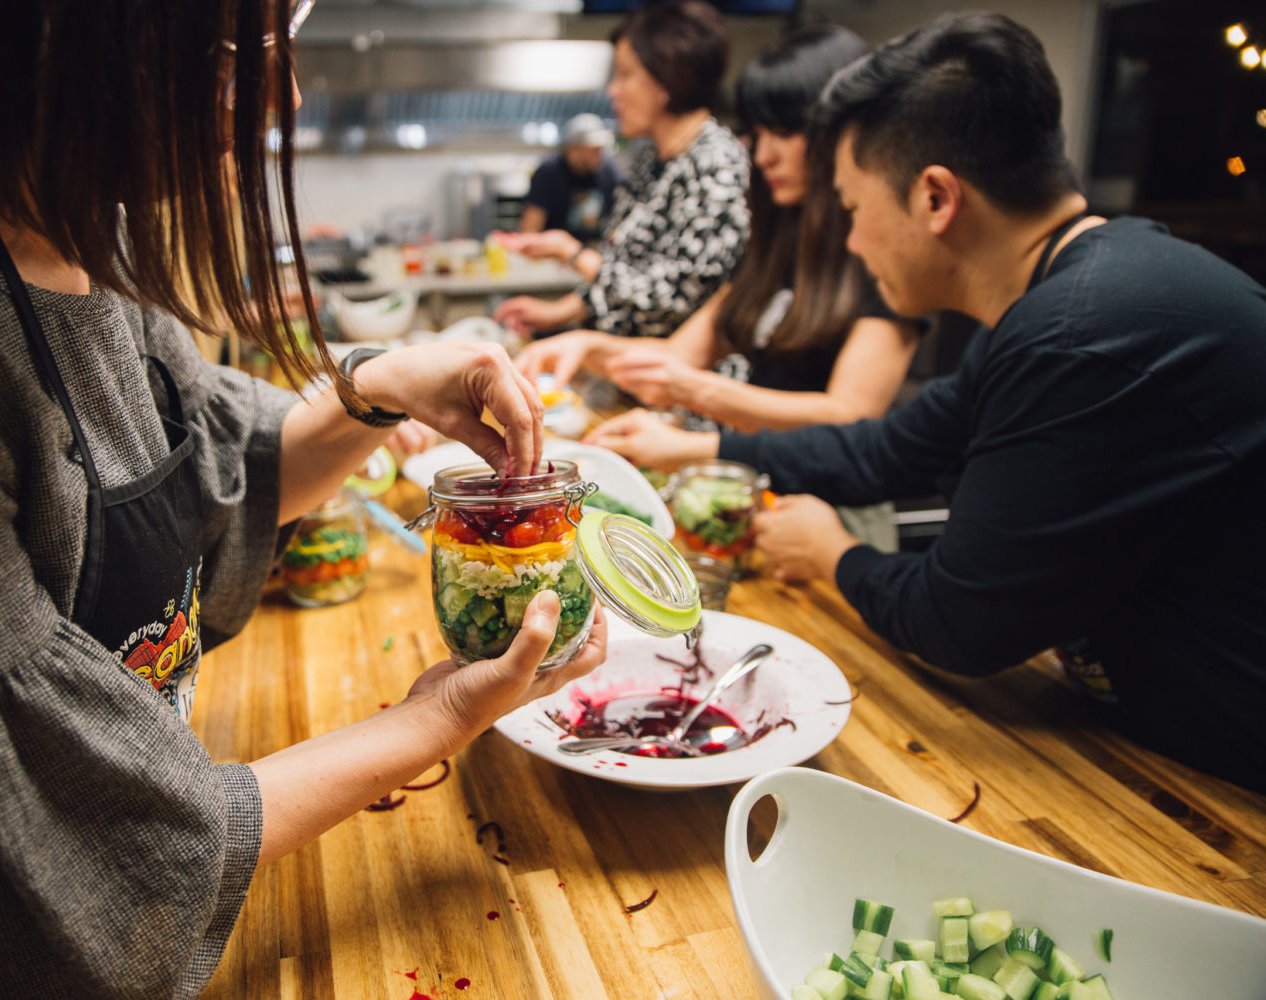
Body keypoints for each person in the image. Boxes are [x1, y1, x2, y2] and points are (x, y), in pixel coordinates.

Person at [0, 1, 607, 995]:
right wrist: (433, 718)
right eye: (243, 46)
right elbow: (77, 856)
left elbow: (210, 462)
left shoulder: (43, 191)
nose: (284, 93)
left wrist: (376, 386)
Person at [592, 12, 1266, 792]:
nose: (850, 240)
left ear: (935, 198)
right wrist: (705, 450)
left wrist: (833, 556)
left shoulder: (1083, 333)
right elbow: (887, 449)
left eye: (851, 208)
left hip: (1229, 793)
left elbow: (963, 623)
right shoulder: (1056, 300)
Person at [531, 25, 921, 551]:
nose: (762, 156)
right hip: (745, 501)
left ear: (845, 137)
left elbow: (850, 415)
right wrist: (588, 345)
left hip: (831, 521)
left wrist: (697, 400)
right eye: (758, 135)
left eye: (784, 133)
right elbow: (681, 353)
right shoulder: (775, 242)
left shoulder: (881, 256)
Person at [493, 0, 749, 339]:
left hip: (677, 380)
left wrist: (572, 252)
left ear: (665, 80)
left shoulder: (716, 165)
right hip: (626, 372)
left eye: (625, 75)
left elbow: (672, 297)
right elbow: (623, 271)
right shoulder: (651, 161)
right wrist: (557, 312)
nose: (612, 90)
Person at [518, 112, 620, 243]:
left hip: (594, 256)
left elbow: (618, 222)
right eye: (593, 149)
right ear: (573, 149)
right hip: (553, 257)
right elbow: (530, 230)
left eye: (600, 149)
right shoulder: (548, 173)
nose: (599, 155)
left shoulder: (608, 173)